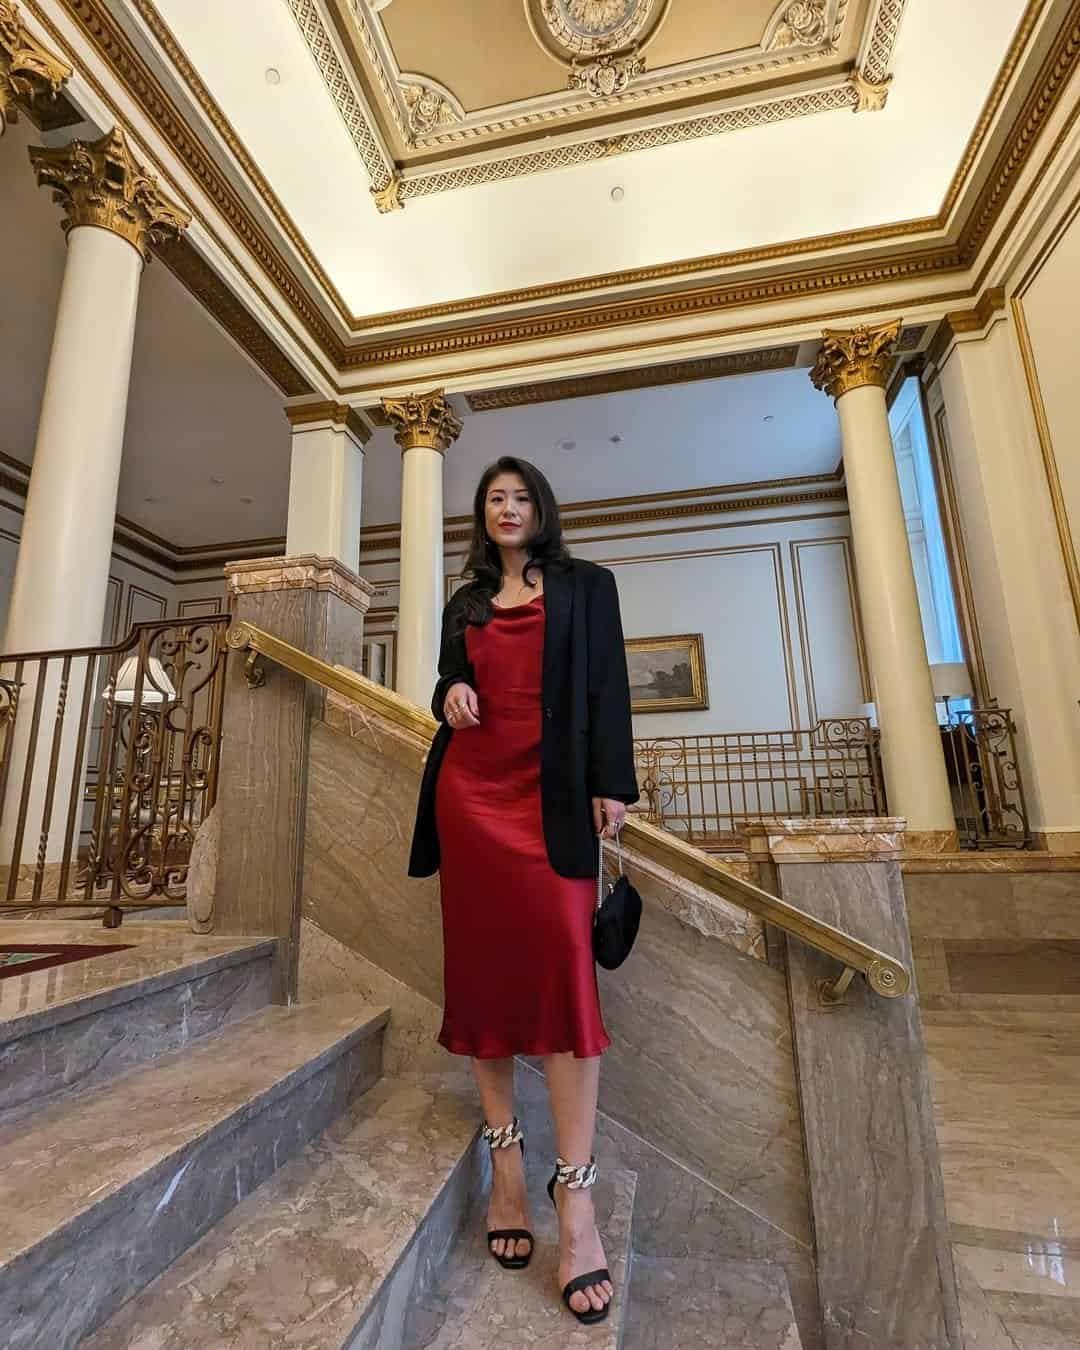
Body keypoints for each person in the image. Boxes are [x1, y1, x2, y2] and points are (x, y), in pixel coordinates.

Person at [409, 455, 638, 1324]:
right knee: (483, 980)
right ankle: (507, 1161)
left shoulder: (588, 586)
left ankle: (573, 1199)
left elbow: (608, 689)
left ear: (542, 509)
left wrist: (611, 781)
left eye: (521, 496)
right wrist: (450, 691)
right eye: (494, 499)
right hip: (471, 797)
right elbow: (445, 684)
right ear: (483, 515)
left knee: (566, 985)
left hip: (551, 802)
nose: (508, 507)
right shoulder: (465, 600)